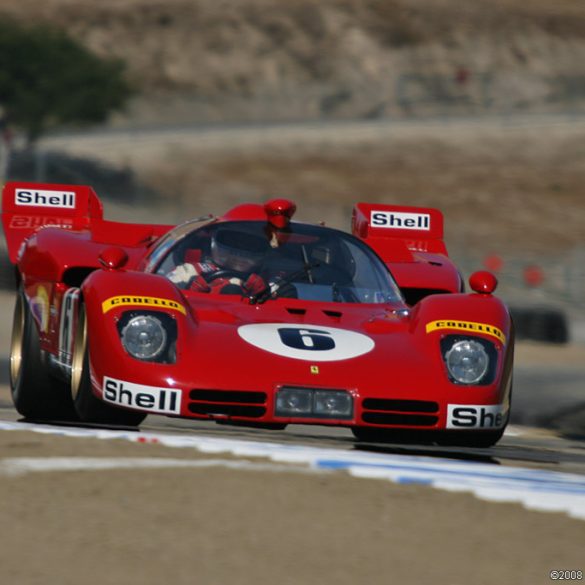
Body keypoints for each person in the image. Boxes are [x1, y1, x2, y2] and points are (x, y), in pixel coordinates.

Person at [167, 227, 268, 295]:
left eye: (249, 243)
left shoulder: (269, 279)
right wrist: (188, 291)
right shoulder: (190, 271)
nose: (238, 249)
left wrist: (264, 295)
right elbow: (165, 293)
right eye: (232, 240)